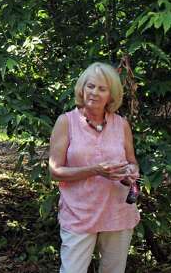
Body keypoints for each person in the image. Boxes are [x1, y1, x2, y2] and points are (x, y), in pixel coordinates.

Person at [49, 62, 140, 273]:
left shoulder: (121, 124)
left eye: (102, 88)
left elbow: (132, 162)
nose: (95, 93)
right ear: (82, 88)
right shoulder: (66, 122)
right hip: (79, 213)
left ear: (111, 95)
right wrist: (96, 170)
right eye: (90, 86)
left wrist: (131, 171)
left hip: (118, 211)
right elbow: (55, 171)